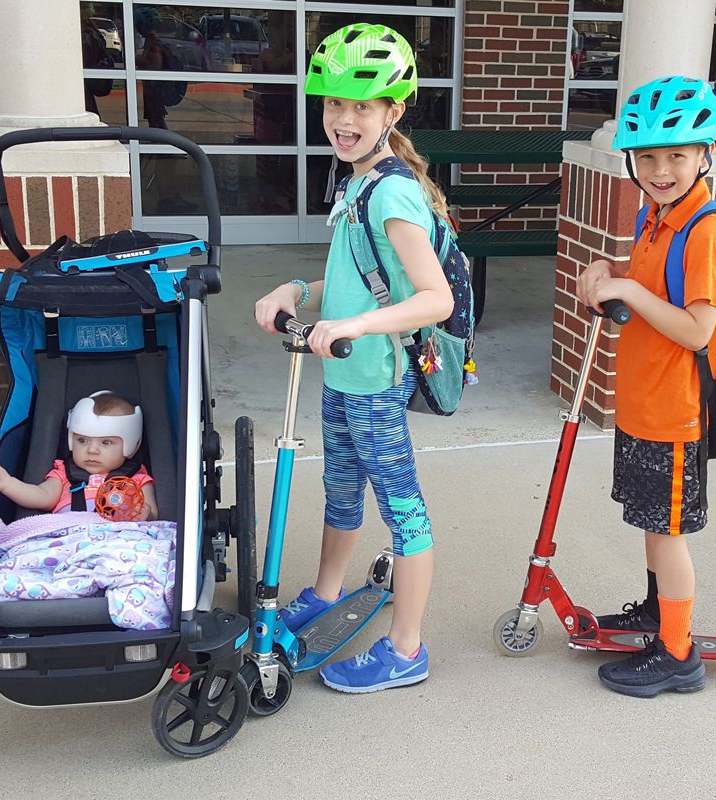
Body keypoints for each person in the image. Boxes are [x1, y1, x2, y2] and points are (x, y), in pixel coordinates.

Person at [253, 23, 454, 694]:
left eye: (361, 106)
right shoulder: (358, 180)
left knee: (404, 513)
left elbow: (434, 299)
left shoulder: (392, 191)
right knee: (340, 491)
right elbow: (354, 277)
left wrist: (358, 326)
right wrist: (297, 290)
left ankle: (407, 649)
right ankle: (325, 591)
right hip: (342, 373)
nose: (343, 119)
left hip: (375, 381)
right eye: (334, 103)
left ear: (393, 111)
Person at [574, 75, 716, 698]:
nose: (660, 170)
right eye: (646, 157)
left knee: (668, 535)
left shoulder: (706, 231)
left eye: (676, 155)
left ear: (705, 153)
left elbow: (697, 329)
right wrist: (608, 270)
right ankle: (654, 612)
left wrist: (628, 290)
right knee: (650, 522)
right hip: (642, 404)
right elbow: (648, 285)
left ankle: (678, 653)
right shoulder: (657, 214)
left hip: (675, 412)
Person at [0, 391, 158, 521]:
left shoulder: (137, 478)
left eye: (106, 442)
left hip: (118, 539)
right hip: (69, 537)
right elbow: (42, 496)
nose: (92, 450)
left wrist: (144, 514)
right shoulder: (64, 473)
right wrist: (8, 484)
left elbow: (153, 514)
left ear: (130, 444)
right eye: (83, 440)